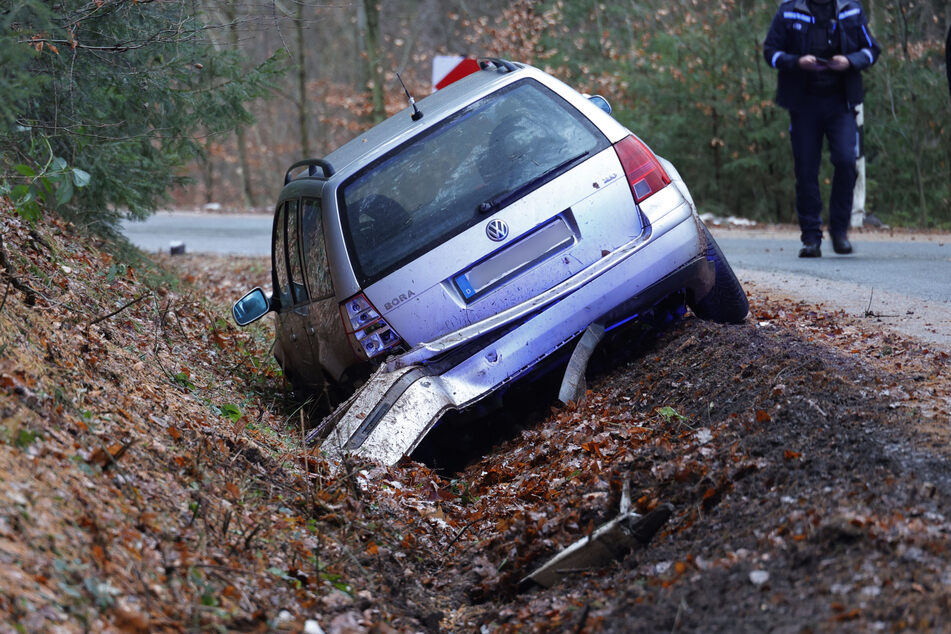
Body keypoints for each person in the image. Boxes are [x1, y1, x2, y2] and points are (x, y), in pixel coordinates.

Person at [764, 0, 881, 257]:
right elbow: (770, 52)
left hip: (841, 104)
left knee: (846, 161)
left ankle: (839, 232)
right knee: (806, 169)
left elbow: (872, 50)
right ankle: (811, 238)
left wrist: (849, 61)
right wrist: (796, 61)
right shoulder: (789, 10)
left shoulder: (851, 9)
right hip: (803, 104)